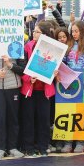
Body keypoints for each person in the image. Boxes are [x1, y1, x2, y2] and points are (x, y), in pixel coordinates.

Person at [60, 20, 84, 153]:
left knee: (83, 113)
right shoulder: (68, 45)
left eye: (76, 31)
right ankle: (68, 142)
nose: (74, 34)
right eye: (72, 31)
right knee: (69, 112)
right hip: (70, 83)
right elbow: (63, 62)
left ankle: (81, 142)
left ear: (82, 30)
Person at [23, 21, 58, 157]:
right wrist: (28, 79)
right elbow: (23, 67)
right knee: (29, 119)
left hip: (45, 90)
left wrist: (55, 72)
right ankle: (29, 147)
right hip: (30, 89)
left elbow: (56, 65)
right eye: (34, 31)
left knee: (43, 120)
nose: (34, 33)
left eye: (37, 31)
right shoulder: (27, 47)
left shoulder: (52, 48)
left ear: (44, 34)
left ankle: (43, 146)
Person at [0, 53, 26, 160]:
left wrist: (10, 64)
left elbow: (23, 69)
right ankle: (0, 148)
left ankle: (12, 148)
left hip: (13, 87)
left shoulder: (17, 46)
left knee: (13, 118)